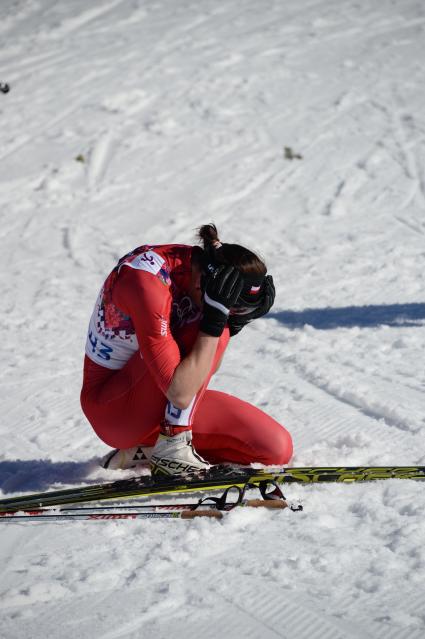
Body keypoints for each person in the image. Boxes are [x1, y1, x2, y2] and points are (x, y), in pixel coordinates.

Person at [80, 223, 293, 476]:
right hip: (115, 412)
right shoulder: (146, 283)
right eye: (233, 308)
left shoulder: (201, 271)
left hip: (156, 401)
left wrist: (230, 323)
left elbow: (203, 368)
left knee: (275, 448)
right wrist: (218, 322)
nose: (232, 314)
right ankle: (173, 445)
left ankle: (148, 450)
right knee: (212, 330)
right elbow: (180, 393)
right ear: (203, 283)